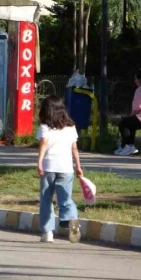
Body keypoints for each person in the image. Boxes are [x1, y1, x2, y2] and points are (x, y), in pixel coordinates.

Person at [36, 95, 83, 244]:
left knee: (46, 199)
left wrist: (39, 162)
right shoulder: (71, 127)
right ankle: (72, 219)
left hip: (49, 167)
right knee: (66, 199)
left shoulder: (44, 127)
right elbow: (74, 148)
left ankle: (48, 232)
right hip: (66, 168)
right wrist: (78, 167)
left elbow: (44, 143)